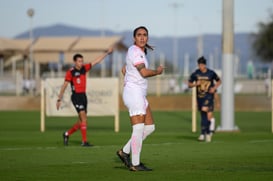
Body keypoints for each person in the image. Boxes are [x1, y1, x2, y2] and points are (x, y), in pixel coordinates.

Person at [116, 26, 164, 171]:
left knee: (149, 127)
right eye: (139, 35)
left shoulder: (137, 51)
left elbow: (124, 69)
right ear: (134, 38)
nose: (142, 37)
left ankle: (124, 152)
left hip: (138, 93)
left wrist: (130, 76)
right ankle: (135, 164)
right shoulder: (135, 51)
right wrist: (157, 71)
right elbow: (143, 72)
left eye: (144, 35)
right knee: (138, 128)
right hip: (134, 93)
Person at [56, 47, 113, 146]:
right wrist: (59, 98)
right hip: (76, 97)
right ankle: (84, 141)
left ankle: (66, 134)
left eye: (82, 61)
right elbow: (64, 85)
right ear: (74, 62)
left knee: (81, 122)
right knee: (84, 118)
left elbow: (96, 61)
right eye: (79, 61)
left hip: (83, 96)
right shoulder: (71, 72)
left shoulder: (84, 68)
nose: (81, 63)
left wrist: (107, 53)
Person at [188, 56, 221, 142]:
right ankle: (208, 131)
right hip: (200, 97)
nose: (200, 67)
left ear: (205, 65)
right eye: (199, 65)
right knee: (205, 116)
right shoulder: (196, 73)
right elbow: (189, 84)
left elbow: (219, 81)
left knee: (204, 110)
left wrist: (214, 88)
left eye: (202, 65)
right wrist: (196, 84)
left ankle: (203, 134)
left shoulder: (211, 73)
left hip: (209, 96)